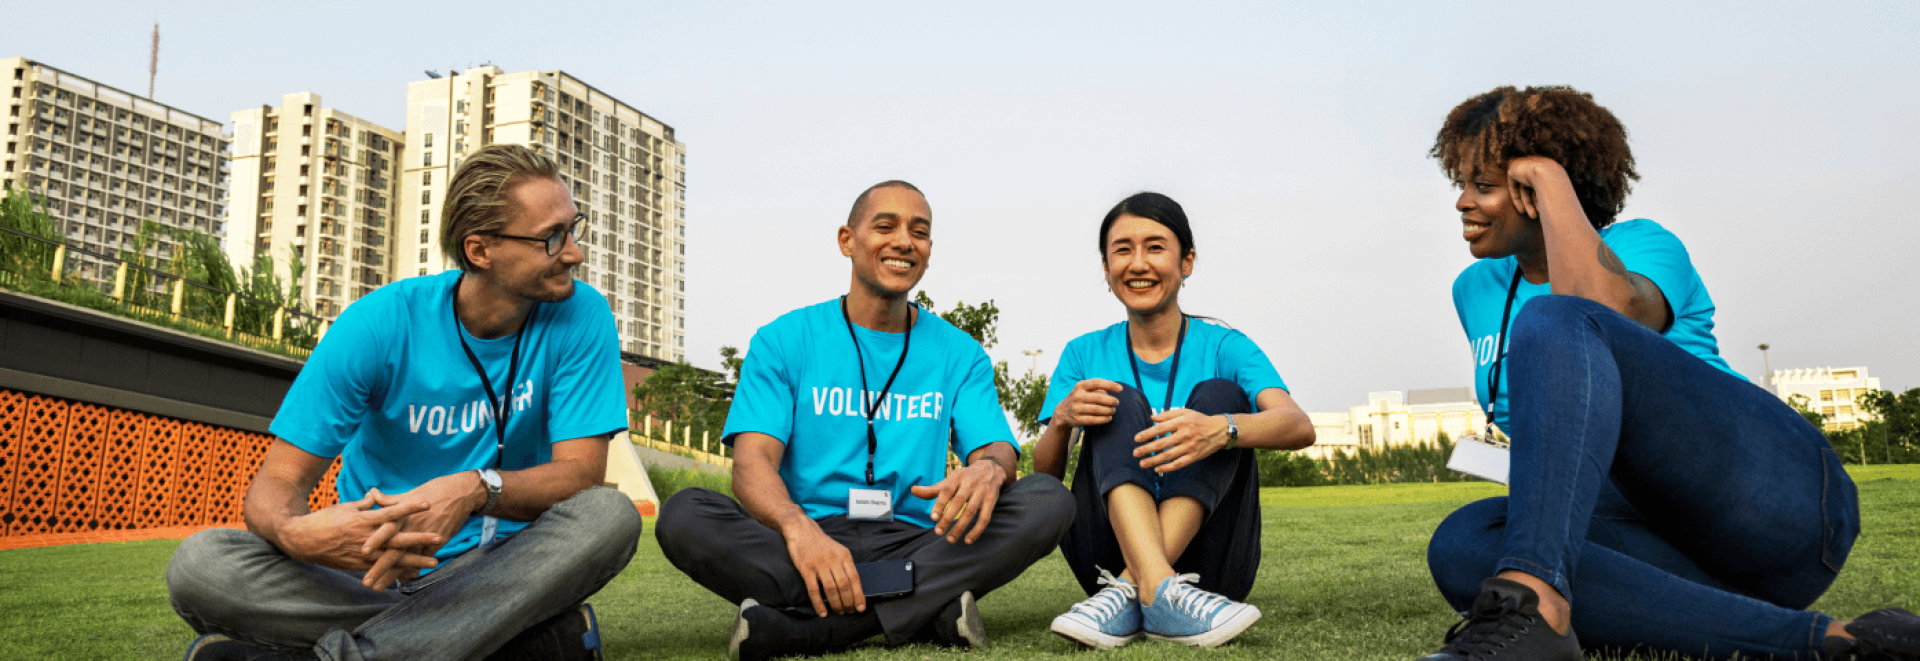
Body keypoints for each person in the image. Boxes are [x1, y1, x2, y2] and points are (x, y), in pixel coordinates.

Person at [1419, 85, 1918, 660]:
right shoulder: (1475, 290)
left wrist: (1554, 179)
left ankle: (1532, 606)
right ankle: (1830, 642)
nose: (1461, 202)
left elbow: (1597, 310)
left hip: (1771, 504)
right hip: (1659, 549)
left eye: (1483, 185)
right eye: (1461, 184)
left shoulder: (1644, 244)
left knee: (1555, 318)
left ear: (1538, 189)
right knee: (1462, 544)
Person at [167, 144, 643, 661]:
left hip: (505, 570)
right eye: (552, 238)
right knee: (202, 565)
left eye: (575, 229)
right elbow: (278, 481)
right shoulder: (377, 324)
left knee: (609, 515)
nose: (574, 252)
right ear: (480, 250)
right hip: (369, 573)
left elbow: (579, 475)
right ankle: (511, 642)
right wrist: (294, 532)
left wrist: (472, 489)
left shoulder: (582, 315)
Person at [655, 180, 1074, 661]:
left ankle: (810, 631)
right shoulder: (784, 340)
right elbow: (751, 466)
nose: (903, 241)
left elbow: (996, 447)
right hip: (808, 540)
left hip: (920, 537)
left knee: (1048, 500)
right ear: (846, 241)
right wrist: (800, 531)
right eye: (885, 226)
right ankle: (926, 607)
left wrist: (990, 469)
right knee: (684, 514)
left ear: (929, 251)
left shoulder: (960, 354)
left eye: (919, 231)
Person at [1030, 192, 1315, 650]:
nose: (1138, 263)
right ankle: (1153, 587)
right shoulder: (1083, 353)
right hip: (1103, 553)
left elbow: (1297, 425)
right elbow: (1045, 480)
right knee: (1115, 399)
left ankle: (1136, 587)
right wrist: (1061, 421)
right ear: (1106, 268)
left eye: (1156, 247)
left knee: (1222, 398)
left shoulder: (1226, 345)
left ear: (1187, 262)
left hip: (1212, 561)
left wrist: (1221, 428)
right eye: (1122, 250)